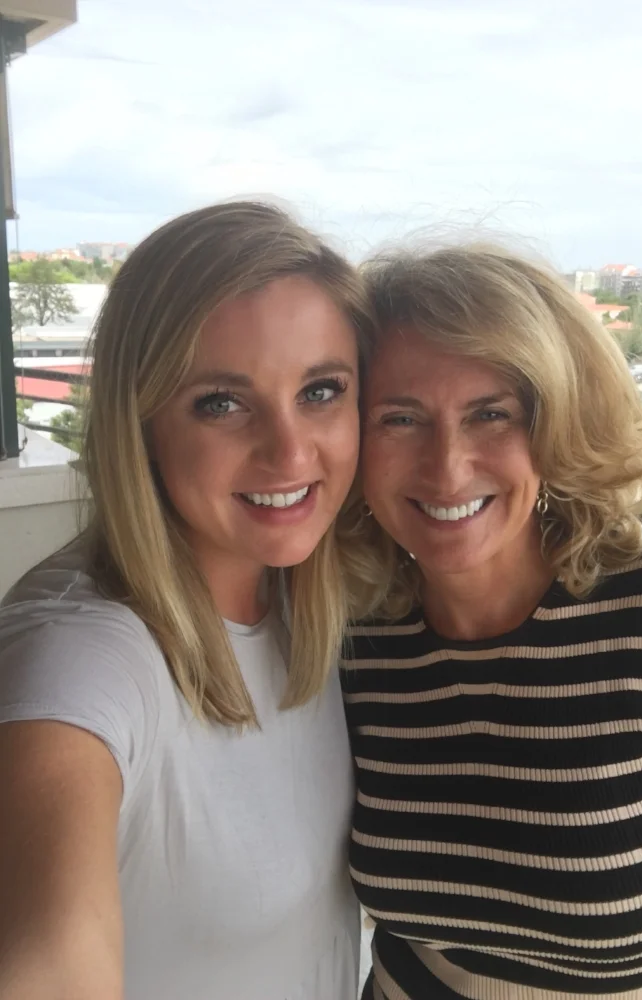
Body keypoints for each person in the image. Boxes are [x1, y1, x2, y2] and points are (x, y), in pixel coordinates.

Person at [340, 242, 642, 1000]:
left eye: (491, 414)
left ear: (556, 423)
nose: (447, 467)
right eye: (399, 418)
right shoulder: (356, 641)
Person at [0, 201, 373, 1000]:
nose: (290, 451)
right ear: (140, 423)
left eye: (321, 390)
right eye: (221, 402)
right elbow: (48, 953)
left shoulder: (310, 593)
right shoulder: (79, 653)